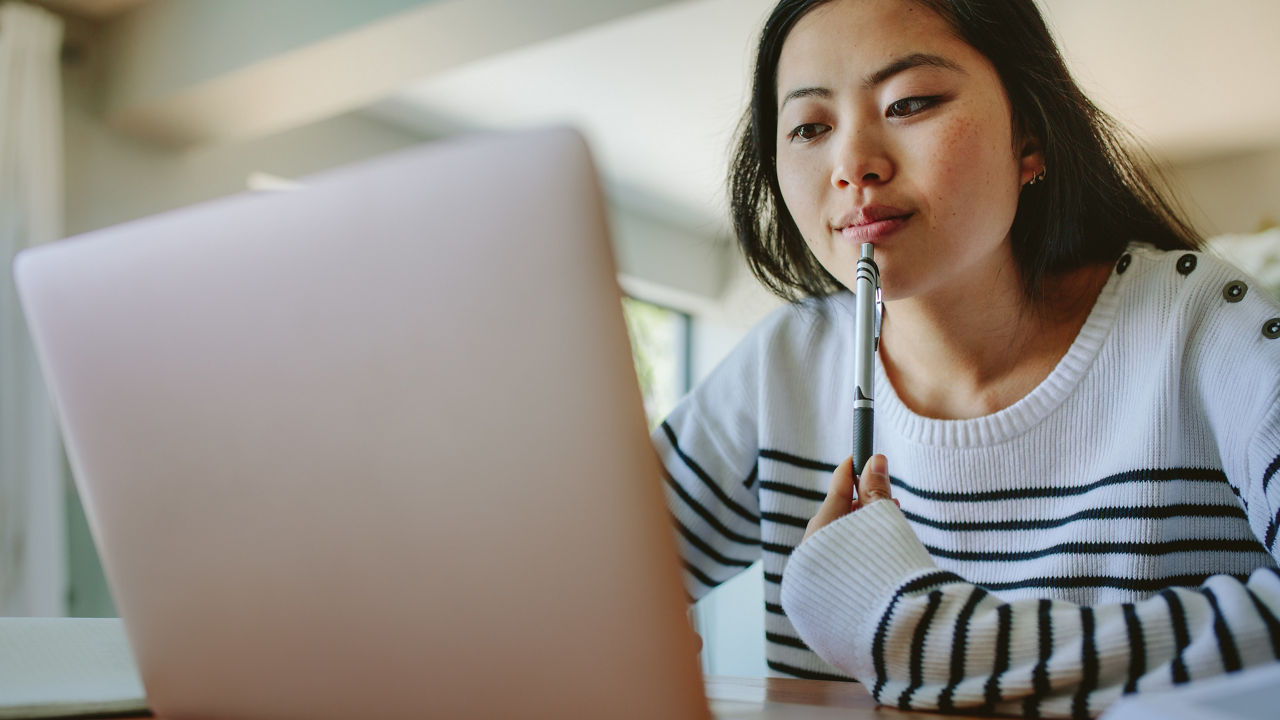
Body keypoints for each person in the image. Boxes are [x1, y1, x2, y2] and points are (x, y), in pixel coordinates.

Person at [653, 0, 1280, 717]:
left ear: (1030, 138)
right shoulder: (781, 366)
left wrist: (925, 639)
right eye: (809, 128)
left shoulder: (1202, 325)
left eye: (910, 102)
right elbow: (572, 582)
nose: (853, 165)